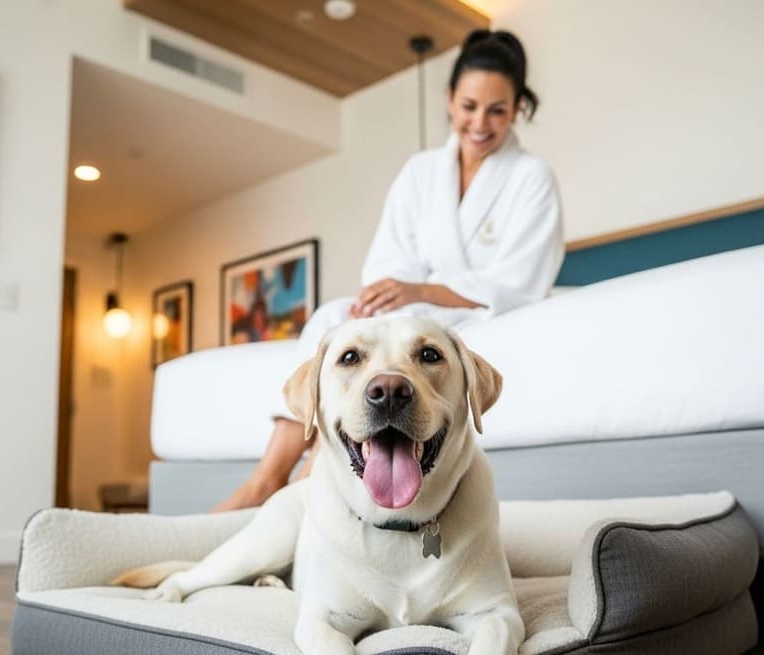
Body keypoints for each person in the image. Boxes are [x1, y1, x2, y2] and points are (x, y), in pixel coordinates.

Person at [212, 29, 565, 512]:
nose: (479, 122)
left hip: (480, 311)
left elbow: (520, 280)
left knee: (389, 333)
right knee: (334, 316)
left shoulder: (531, 178)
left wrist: (421, 289)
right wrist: (381, 298)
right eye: (468, 106)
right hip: (413, 307)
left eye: (497, 110)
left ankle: (308, 481)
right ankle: (265, 479)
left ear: (518, 107)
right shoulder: (420, 172)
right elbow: (388, 261)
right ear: (448, 100)